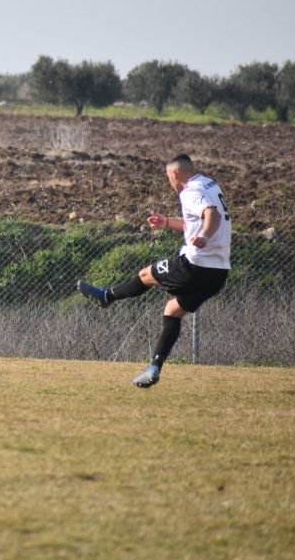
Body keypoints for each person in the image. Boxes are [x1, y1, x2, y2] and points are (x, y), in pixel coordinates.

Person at [77, 154, 231, 388]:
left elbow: (212, 215)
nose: (169, 181)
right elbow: (199, 219)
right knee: (172, 311)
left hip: (195, 265)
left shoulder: (189, 192)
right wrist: (168, 222)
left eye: (168, 177)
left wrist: (204, 236)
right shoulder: (209, 184)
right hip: (218, 273)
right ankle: (153, 368)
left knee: (145, 275)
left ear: (175, 174)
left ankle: (106, 296)